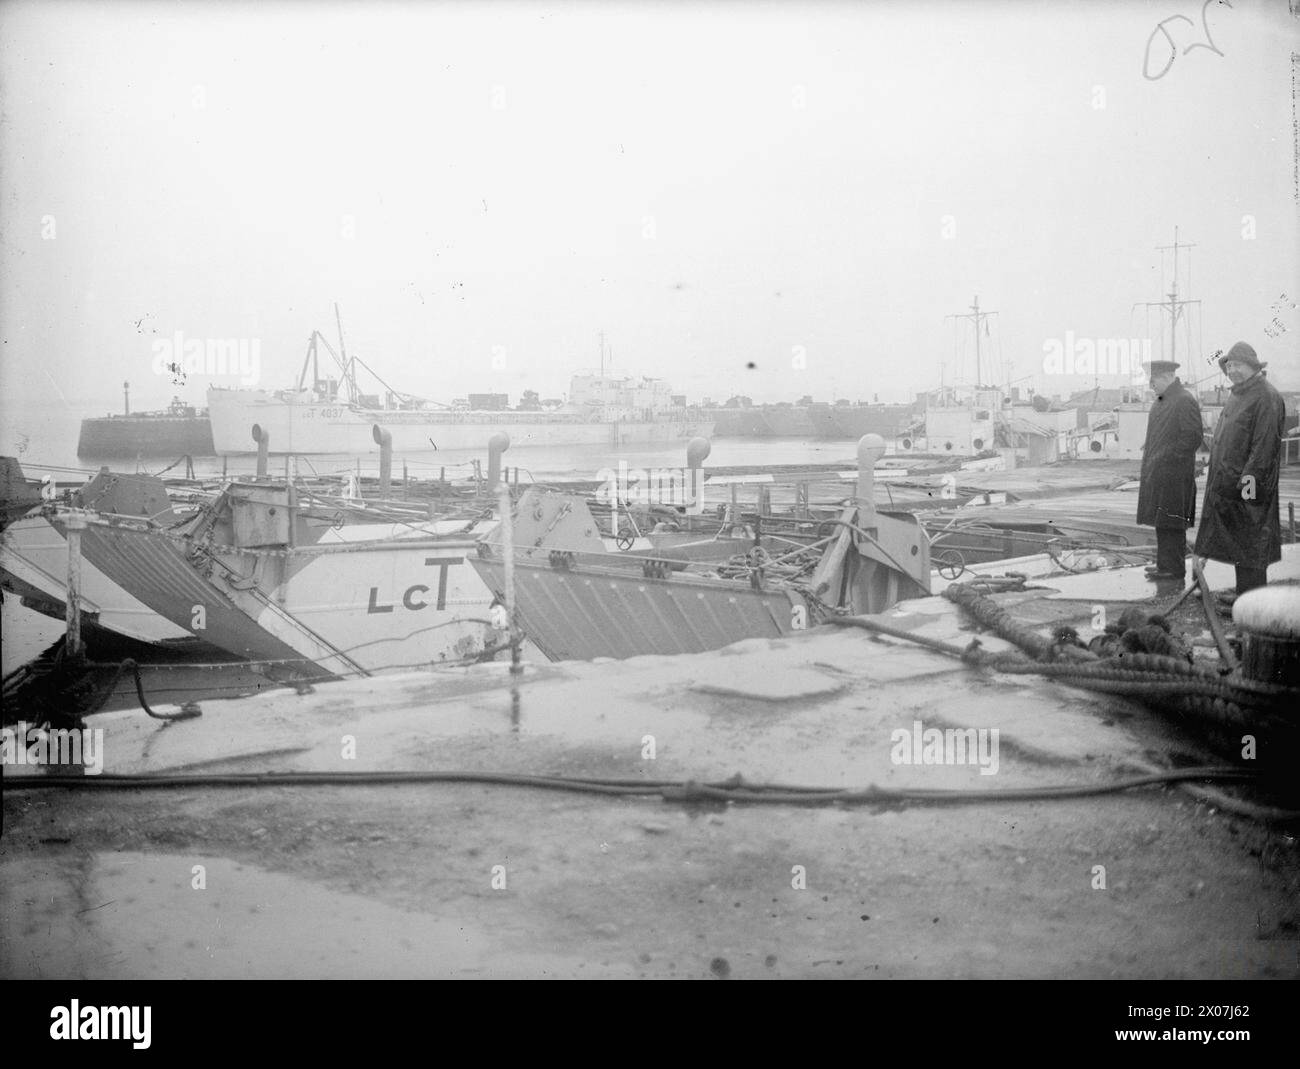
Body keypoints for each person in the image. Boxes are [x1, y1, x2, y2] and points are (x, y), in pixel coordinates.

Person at [1194, 341, 1287, 600]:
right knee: (1240, 543)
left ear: (1253, 367)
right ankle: (1244, 593)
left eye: (1238, 365)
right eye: (1230, 365)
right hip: (1229, 486)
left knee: (1252, 542)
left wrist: (1248, 490)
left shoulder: (1267, 397)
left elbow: (1263, 449)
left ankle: (1253, 600)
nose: (1232, 370)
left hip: (1248, 488)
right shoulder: (1239, 394)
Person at [1136, 360, 1203, 581]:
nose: (1150, 384)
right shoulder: (1164, 400)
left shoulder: (1184, 400)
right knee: (1162, 521)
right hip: (1161, 474)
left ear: (1166, 376)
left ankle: (1173, 569)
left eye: (1153, 379)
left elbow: (1192, 437)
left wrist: (1165, 457)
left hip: (1174, 475)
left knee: (1172, 523)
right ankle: (1164, 565)